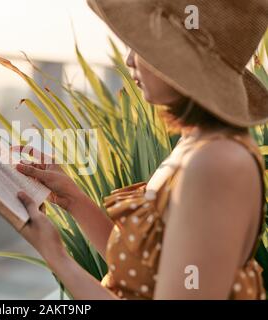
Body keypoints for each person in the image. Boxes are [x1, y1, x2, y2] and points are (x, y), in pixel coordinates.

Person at [14, 0, 268, 299]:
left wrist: (55, 255)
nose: (130, 59)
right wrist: (74, 200)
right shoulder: (198, 144)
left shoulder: (216, 163)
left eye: (144, 46)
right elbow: (146, 271)